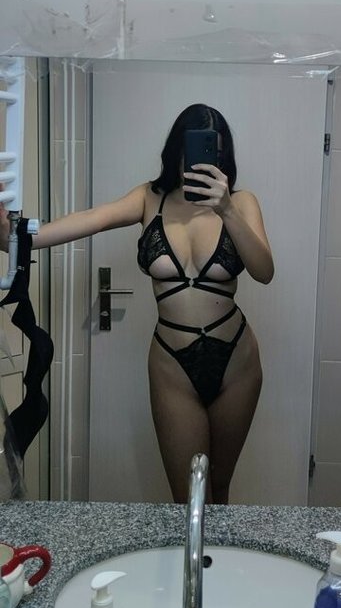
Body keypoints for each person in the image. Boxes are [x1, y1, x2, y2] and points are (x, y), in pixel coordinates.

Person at [0, 103, 274, 503]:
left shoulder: (242, 202)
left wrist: (226, 209)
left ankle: (215, 547)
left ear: (223, 156)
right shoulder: (150, 198)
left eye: (210, 152)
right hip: (172, 365)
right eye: (190, 150)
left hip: (237, 361)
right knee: (188, 497)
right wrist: (17, 235)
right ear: (176, 150)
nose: (197, 161)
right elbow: (94, 218)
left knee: (219, 489)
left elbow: (264, 271)